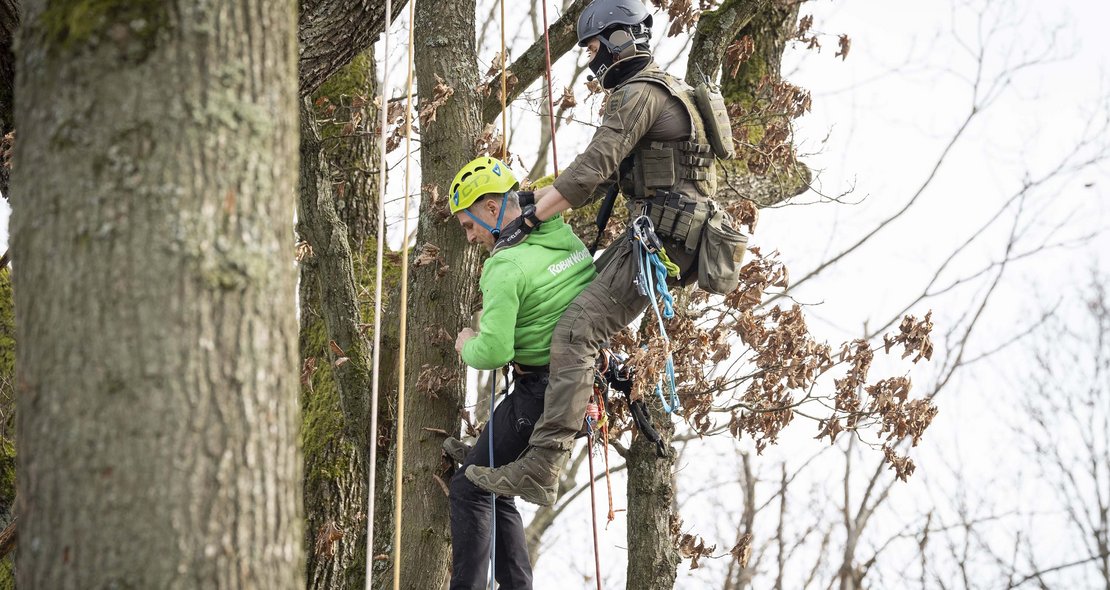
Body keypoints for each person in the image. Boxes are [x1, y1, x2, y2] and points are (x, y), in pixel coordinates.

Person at [466, 0, 745, 506]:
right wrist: (530, 200)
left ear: (619, 39)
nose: (591, 60)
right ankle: (520, 439)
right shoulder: (664, 90)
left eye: (593, 47)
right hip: (664, 236)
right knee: (572, 310)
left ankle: (543, 464)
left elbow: (592, 167)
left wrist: (530, 217)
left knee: (577, 329)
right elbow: (603, 177)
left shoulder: (638, 94)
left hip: (663, 240)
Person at [446, 156, 597, 589]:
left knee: (470, 488)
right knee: (493, 484)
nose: (470, 237)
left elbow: (494, 351)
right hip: (581, 382)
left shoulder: (504, 266)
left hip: (541, 393)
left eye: (469, 225)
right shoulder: (559, 234)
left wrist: (466, 343)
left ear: (492, 208)